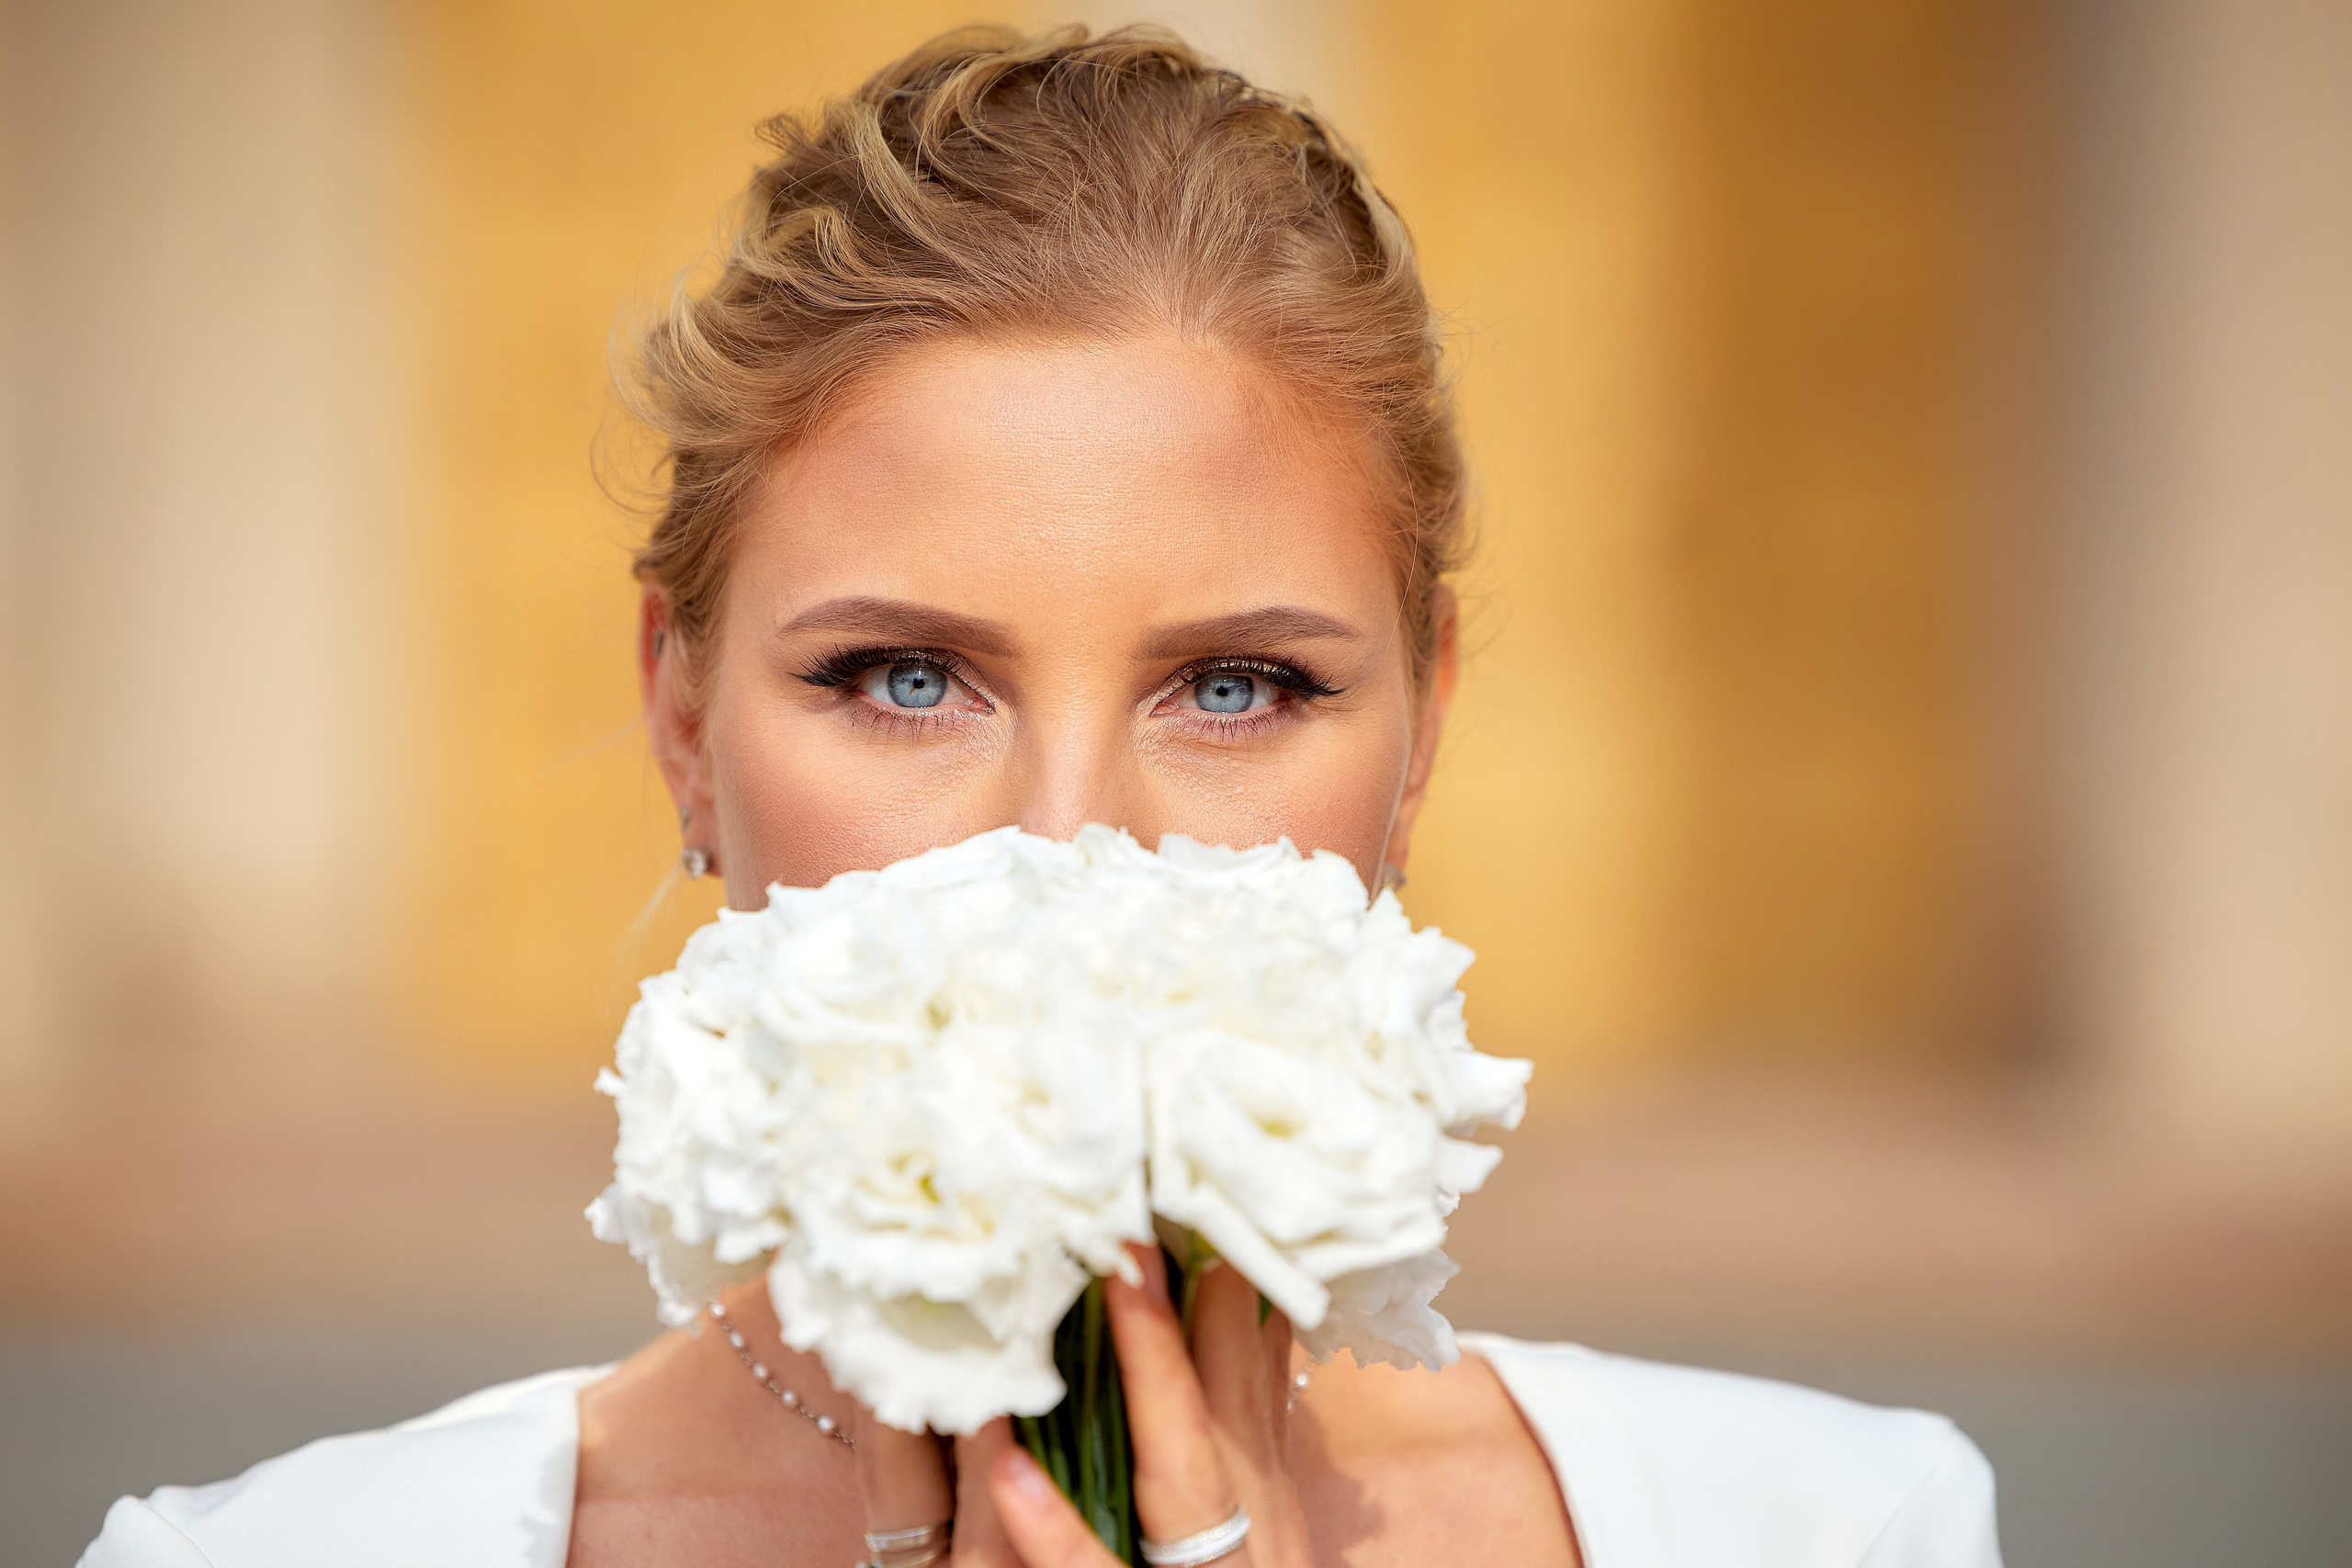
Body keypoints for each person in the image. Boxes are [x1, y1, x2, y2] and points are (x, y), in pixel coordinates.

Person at [81, 26, 2001, 1568]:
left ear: (1417, 737)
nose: (1068, 841)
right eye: (904, 679)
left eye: (1234, 687)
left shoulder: (1830, 1528)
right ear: (679, 716)